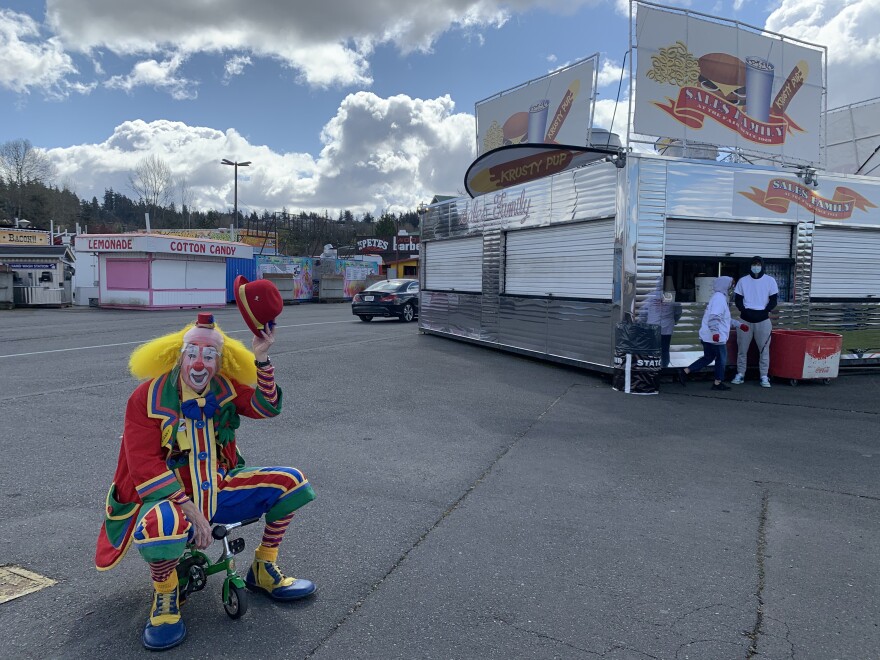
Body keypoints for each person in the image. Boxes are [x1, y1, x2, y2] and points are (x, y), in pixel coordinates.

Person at [95, 309, 316, 651]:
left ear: (218, 360)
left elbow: (267, 407)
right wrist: (191, 511)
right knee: (160, 527)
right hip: (168, 498)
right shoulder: (147, 398)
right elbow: (143, 466)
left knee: (292, 483)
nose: (200, 363)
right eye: (193, 353)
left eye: (210, 355)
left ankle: (263, 567)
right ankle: (166, 595)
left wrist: (262, 358)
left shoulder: (223, 388)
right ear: (179, 355)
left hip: (219, 487)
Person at [678, 276, 733, 391]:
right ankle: (718, 383)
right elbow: (714, 318)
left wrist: (738, 325)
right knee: (721, 359)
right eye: (731, 284)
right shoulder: (720, 299)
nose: (732, 287)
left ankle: (685, 371)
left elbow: (724, 318)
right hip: (715, 337)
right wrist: (715, 333)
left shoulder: (717, 297)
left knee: (708, 357)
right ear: (725, 285)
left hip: (708, 335)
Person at [731, 256, 778, 387]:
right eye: (754, 264)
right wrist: (744, 311)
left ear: (762, 265)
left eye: (758, 264)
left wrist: (765, 311)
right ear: (750, 265)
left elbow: (774, 299)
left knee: (764, 350)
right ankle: (740, 374)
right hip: (745, 319)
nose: (756, 266)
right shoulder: (743, 281)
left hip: (763, 319)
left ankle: (764, 376)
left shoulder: (770, 281)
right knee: (742, 349)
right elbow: (738, 299)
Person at [639, 278, 682, 368]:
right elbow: (678, 312)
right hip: (667, 328)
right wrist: (675, 321)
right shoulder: (671, 297)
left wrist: (643, 323)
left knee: (652, 348)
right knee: (665, 349)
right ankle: (664, 367)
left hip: (652, 327)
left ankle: (652, 368)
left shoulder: (650, 296)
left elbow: (643, 311)